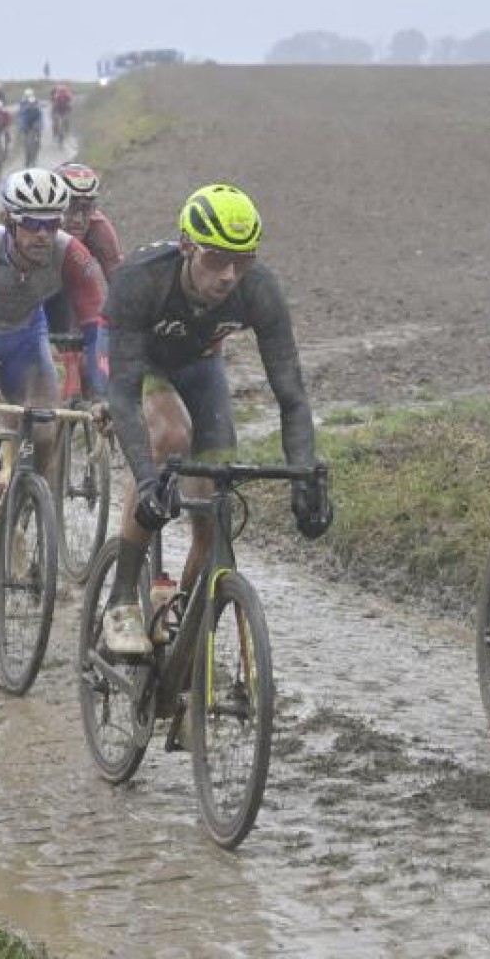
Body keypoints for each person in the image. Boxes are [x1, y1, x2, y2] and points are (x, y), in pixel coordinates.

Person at [98, 184, 332, 656]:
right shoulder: (142, 279)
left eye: (242, 261)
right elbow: (122, 395)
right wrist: (147, 482)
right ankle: (121, 600)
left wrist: (305, 474)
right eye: (218, 259)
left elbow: (291, 395)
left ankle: (180, 619)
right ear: (187, 246)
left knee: (216, 497)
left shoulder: (259, 289)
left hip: (201, 369)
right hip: (143, 367)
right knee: (171, 436)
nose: (230, 276)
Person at [0, 168, 108, 604]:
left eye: (51, 223)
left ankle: (13, 522)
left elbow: (96, 329)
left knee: (46, 431)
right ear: (9, 220)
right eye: (31, 222)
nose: (42, 234)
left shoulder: (73, 256)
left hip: (25, 343)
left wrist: (103, 395)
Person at [45, 162, 123, 336]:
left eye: (87, 208)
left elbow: (120, 282)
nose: (79, 219)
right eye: (71, 208)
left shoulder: (98, 229)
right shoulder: (39, 227)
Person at [16, 90, 44, 165]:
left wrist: (38, 125)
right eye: (30, 104)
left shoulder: (38, 107)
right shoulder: (24, 107)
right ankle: (27, 159)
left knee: (37, 140)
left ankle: (35, 154)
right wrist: (23, 126)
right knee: (26, 143)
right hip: (27, 126)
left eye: (33, 104)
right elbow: (22, 117)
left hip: (35, 126)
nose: (31, 105)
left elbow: (40, 118)